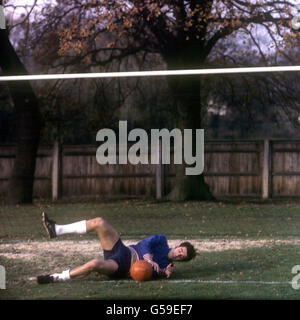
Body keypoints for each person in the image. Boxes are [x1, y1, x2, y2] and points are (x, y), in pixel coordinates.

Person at [37, 212, 196, 284]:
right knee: (99, 222)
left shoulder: (166, 266)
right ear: (178, 246)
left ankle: (57, 277)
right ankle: (56, 229)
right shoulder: (162, 240)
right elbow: (145, 244)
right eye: (180, 251)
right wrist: (149, 259)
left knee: (94, 264)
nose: (178, 255)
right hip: (123, 250)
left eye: (182, 257)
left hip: (121, 267)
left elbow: (144, 274)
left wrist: (161, 273)